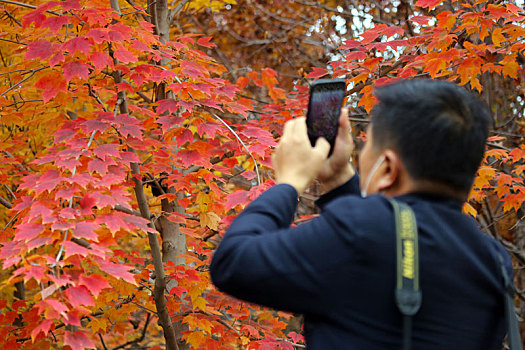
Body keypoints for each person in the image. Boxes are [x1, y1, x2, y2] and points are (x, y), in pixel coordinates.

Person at [210, 79, 512, 349]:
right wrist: (339, 179)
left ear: (389, 168)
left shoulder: (365, 233)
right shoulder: (494, 261)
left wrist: (290, 181)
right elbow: (376, 264)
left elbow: (233, 263)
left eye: (367, 145)